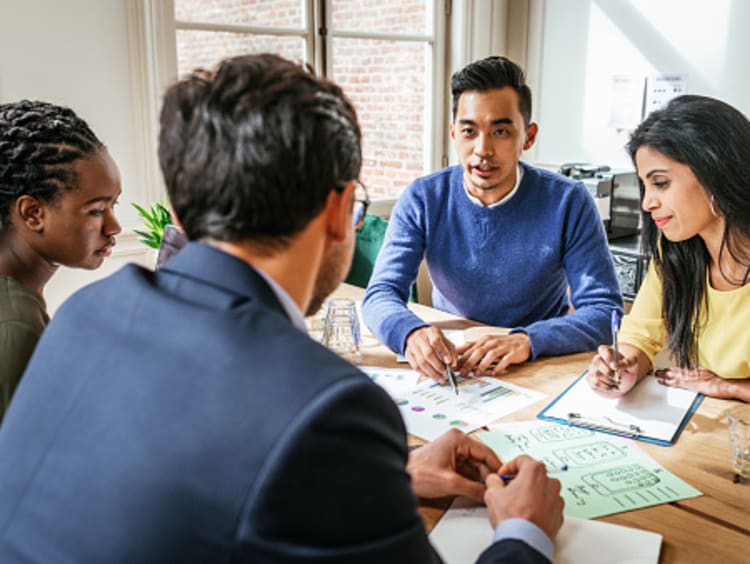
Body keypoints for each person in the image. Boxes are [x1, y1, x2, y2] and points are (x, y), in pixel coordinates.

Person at [0, 54, 563, 563]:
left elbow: (185, 481)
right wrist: (523, 533)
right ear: (342, 211)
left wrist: (391, 476)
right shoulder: (331, 408)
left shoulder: (85, 314)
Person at [362, 55, 622, 383]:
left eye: (500, 131)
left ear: (528, 136)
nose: (483, 149)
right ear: (454, 133)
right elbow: (380, 293)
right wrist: (410, 332)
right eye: (470, 131)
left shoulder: (568, 201)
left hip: (539, 359)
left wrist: (527, 340)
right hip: (453, 362)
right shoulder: (423, 198)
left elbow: (604, 311)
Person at [587, 95, 750, 401]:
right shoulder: (676, 249)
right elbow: (642, 331)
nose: (648, 203)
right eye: (644, 186)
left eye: (660, 183)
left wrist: (730, 387)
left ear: (714, 170)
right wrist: (625, 365)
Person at [0, 100, 121, 421]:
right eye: (96, 210)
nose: (114, 227)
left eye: (114, 206)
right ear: (33, 213)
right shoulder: (16, 326)